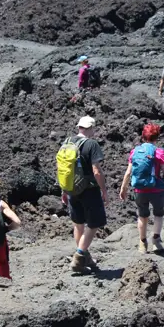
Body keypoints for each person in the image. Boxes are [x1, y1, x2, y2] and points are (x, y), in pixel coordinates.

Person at [119, 124, 164, 254]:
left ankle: (142, 243)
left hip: (140, 190)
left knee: (142, 216)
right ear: (157, 137)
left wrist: (123, 188)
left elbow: (128, 172)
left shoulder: (135, 151)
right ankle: (156, 241)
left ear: (143, 136)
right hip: (156, 189)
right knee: (158, 214)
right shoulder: (159, 152)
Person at [63, 116, 108, 273]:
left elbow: (64, 169)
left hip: (71, 189)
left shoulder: (67, 142)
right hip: (88, 190)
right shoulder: (91, 144)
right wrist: (103, 190)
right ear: (90, 128)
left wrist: (63, 190)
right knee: (95, 223)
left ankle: (85, 257)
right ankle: (79, 256)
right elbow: (96, 170)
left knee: (78, 223)